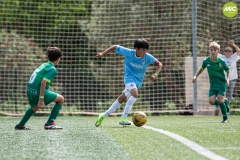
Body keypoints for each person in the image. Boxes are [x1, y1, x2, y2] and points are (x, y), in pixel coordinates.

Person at [95, 38, 163, 126]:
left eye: (146, 50)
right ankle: (123, 117)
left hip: (138, 82)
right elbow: (115, 47)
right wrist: (102, 54)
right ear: (137, 49)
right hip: (129, 78)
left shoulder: (147, 57)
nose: (144, 52)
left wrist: (155, 75)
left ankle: (103, 116)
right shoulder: (129, 53)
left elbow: (160, 64)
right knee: (135, 94)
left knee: (121, 99)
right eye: (143, 50)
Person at [15, 47, 64, 130]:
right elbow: (43, 82)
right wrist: (41, 100)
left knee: (34, 107)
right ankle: (50, 123)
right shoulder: (52, 69)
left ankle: (20, 125)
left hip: (30, 90)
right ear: (58, 59)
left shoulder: (44, 65)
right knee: (61, 99)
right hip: (38, 92)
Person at [192, 41, 230, 123]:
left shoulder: (221, 61)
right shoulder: (206, 61)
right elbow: (201, 69)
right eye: (211, 50)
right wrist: (195, 76)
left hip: (221, 83)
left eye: (215, 50)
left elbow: (228, 71)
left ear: (218, 51)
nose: (213, 51)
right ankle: (224, 102)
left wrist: (228, 79)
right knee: (211, 101)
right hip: (213, 84)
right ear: (209, 51)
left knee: (220, 100)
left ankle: (225, 118)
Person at [214, 40, 240, 116]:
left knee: (229, 95)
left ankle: (226, 109)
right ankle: (217, 108)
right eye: (226, 51)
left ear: (231, 52)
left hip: (232, 80)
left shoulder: (234, 57)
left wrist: (233, 44)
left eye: (229, 51)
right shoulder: (221, 57)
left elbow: (238, 51)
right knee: (220, 94)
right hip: (223, 79)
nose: (227, 52)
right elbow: (214, 51)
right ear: (224, 52)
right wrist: (214, 43)